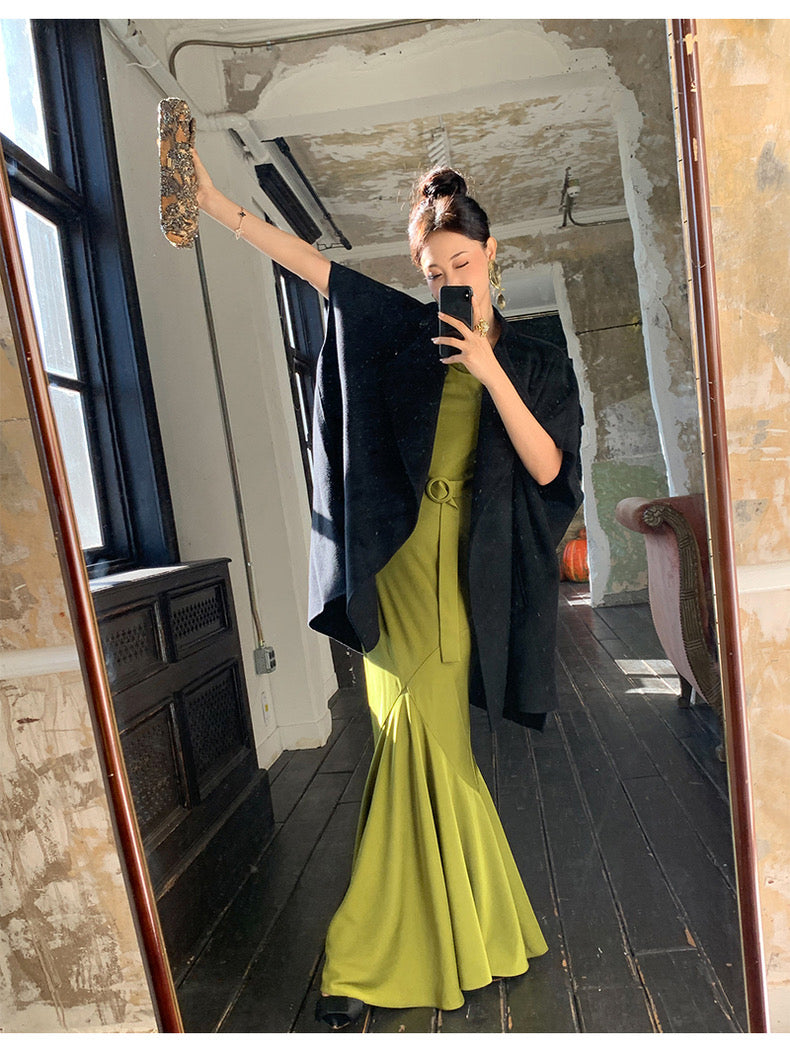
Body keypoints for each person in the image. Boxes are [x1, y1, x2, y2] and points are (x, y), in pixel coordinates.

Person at [193, 151, 583, 1029]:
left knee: (421, 741)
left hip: (463, 574)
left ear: (491, 252)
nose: (448, 280)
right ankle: (480, 930)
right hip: (395, 567)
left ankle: (366, 955)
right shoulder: (406, 334)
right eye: (432, 271)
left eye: (461, 263)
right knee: (411, 742)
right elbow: (317, 270)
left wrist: (487, 370)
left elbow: (549, 468)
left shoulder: (536, 358)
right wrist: (218, 204)